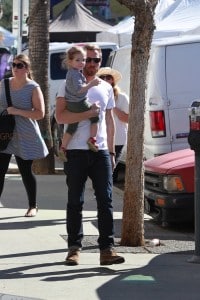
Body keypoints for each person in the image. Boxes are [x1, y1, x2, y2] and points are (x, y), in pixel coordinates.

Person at [56, 44, 125, 266]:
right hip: (76, 151)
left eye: (97, 60)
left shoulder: (105, 87)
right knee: (75, 201)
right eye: (89, 60)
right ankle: (74, 249)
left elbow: (109, 121)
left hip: (101, 152)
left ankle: (107, 249)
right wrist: (88, 113)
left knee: (105, 201)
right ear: (81, 60)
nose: (92, 64)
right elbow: (60, 117)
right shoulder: (67, 85)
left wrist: (112, 151)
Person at [0, 54, 48, 217]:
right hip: (5, 133)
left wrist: (17, 111)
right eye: (14, 65)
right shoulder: (4, 83)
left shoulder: (33, 87)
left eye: (20, 65)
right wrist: (5, 111)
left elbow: (40, 114)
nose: (15, 68)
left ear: (27, 69)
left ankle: (33, 206)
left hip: (25, 133)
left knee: (25, 171)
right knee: (0, 171)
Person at [58, 46, 101, 162]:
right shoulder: (74, 74)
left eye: (83, 60)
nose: (82, 63)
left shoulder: (74, 73)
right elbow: (79, 90)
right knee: (95, 115)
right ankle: (92, 139)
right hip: (78, 103)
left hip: (72, 104)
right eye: (78, 60)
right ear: (70, 61)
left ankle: (63, 148)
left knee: (72, 126)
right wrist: (92, 84)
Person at [97, 67, 129, 182]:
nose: (106, 79)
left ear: (113, 81)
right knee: (100, 170)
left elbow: (128, 118)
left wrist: (111, 105)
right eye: (102, 77)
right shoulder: (95, 95)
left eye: (108, 77)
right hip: (100, 140)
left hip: (117, 140)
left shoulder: (122, 97)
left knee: (110, 170)